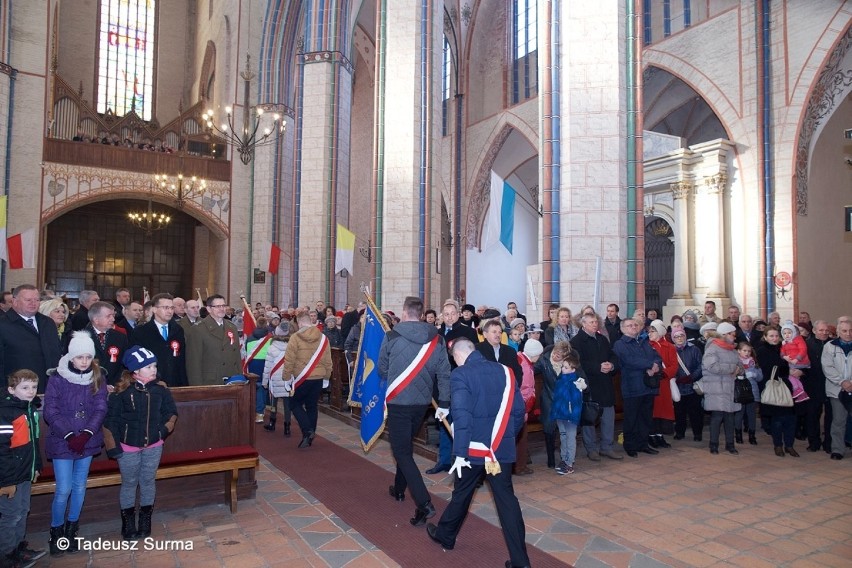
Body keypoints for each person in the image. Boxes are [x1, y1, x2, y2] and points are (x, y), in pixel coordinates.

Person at [424, 339, 529, 568]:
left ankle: (446, 536)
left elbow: (462, 416)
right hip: (500, 449)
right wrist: (506, 437)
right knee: (507, 501)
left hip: (472, 452)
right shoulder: (506, 371)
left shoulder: (461, 375)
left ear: (457, 356)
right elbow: (519, 411)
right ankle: (521, 561)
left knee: (462, 493)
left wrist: (459, 453)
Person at [379, 296, 450, 527]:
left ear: (404, 311)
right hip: (422, 403)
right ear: (421, 314)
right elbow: (444, 374)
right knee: (405, 446)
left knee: (401, 452)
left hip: (399, 401)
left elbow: (381, 368)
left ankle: (424, 503)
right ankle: (399, 488)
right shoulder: (437, 340)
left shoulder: (391, 336)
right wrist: (445, 403)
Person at [43, 332, 108, 556]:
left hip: (87, 440)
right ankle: (56, 532)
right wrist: (70, 435)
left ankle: (72, 529)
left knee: (80, 486)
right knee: (64, 489)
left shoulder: (97, 377)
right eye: (80, 357)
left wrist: (87, 433)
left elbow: (101, 407)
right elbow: (51, 410)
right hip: (63, 440)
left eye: (88, 357)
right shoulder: (57, 378)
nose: (84, 361)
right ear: (71, 356)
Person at [103, 346, 178, 540]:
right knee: (129, 482)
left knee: (147, 481)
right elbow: (111, 421)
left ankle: (145, 519)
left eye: (154, 365)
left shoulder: (160, 389)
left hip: (153, 445)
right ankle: (128, 521)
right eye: (148, 366)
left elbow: (171, 413)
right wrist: (114, 448)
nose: (153, 369)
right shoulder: (121, 392)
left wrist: (161, 432)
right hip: (128, 447)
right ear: (135, 370)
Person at [425, 300, 478, 475]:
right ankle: (444, 460)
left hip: (461, 383)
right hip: (441, 385)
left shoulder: (468, 332)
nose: (449, 317)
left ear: (458, 314)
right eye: (446, 314)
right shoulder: (434, 333)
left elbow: (472, 357)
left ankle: (463, 458)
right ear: (442, 316)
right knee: (443, 422)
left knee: (461, 421)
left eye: (452, 313)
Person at [0, 369, 46, 566]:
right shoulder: (6, 412)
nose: (31, 391)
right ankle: (6, 555)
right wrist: (7, 482)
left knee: (23, 510)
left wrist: (36, 467)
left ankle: (19, 548)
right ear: (11, 389)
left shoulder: (30, 410)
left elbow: (34, 443)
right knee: (11, 515)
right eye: (25, 387)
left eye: (34, 387)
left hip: (25, 472)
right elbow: (2, 450)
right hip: (10, 477)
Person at [571, 313, 622, 460]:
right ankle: (591, 449)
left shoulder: (602, 339)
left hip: (605, 384)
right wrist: (597, 367)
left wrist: (611, 365)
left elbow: (612, 355)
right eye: (591, 322)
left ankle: (607, 447)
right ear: (583, 324)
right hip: (589, 384)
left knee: (608, 416)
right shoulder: (576, 341)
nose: (595, 324)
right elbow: (577, 363)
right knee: (589, 418)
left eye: (596, 321)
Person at [282, 309, 333, 448]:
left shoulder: (295, 338)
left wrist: (286, 378)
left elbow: (289, 360)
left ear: (299, 323)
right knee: (312, 406)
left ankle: (307, 430)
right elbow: (328, 360)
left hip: (302, 377)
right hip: (318, 377)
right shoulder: (323, 337)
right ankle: (309, 437)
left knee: (294, 404)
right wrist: (327, 376)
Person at [612, 318, 662, 457]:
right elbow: (629, 360)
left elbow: (656, 356)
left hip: (648, 386)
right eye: (630, 325)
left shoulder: (644, 342)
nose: (633, 327)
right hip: (632, 387)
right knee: (631, 418)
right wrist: (649, 365)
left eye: (635, 325)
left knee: (645, 417)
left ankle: (643, 443)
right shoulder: (620, 344)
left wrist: (656, 365)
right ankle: (630, 445)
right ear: (623, 329)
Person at [0, 284, 63, 392]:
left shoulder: (48, 323)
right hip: (16, 391)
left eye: (37, 300)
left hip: (48, 388)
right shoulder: (3, 324)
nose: (33, 303)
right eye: (28, 300)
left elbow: (55, 353)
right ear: (15, 301)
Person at [756, 325, 800, 457]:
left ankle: (789, 445)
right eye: (771, 336)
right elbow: (771, 367)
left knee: (790, 418)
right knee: (777, 419)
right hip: (773, 386)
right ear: (765, 337)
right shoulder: (762, 350)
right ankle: (778, 445)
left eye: (776, 336)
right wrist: (787, 366)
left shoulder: (783, 348)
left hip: (786, 386)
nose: (775, 338)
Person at [130, 294, 188, 388]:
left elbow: (181, 359)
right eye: (165, 308)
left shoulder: (178, 330)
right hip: (151, 384)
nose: (170, 311)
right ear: (154, 309)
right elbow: (137, 361)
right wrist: (154, 380)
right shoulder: (141, 332)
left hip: (175, 382)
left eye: (172, 308)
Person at [701, 322, 742, 454]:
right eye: (732, 334)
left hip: (729, 387)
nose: (734, 337)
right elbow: (712, 366)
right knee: (717, 417)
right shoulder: (712, 348)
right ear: (724, 334)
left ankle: (730, 444)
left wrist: (739, 370)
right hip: (716, 388)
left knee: (730, 417)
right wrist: (732, 369)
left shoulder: (733, 350)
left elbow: (740, 366)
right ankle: (713, 444)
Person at [534, 341, 575, 468]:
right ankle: (551, 459)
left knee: (565, 431)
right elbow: (531, 371)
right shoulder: (544, 359)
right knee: (549, 429)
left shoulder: (569, 363)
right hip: (548, 398)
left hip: (564, 399)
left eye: (561, 355)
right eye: (556, 352)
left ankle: (566, 458)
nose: (557, 356)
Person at [186, 295, 241, 385]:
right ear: (209, 309)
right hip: (211, 381)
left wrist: (239, 377)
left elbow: (237, 356)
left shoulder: (231, 327)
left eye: (223, 306)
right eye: (217, 306)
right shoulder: (198, 329)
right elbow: (194, 362)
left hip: (232, 379)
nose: (222, 309)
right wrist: (197, 387)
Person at [551, 351, 587, 475]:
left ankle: (569, 463)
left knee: (570, 438)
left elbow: (576, 402)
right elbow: (557, 398)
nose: (562, 369)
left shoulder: (576, 382)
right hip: (560, 414)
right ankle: (564, 459)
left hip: (570, 416)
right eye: (562, 366)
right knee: (563, 437)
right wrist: (555, 412)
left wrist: (573, 415)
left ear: (573, 369)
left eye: (565, 367)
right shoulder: (560, 380)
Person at [78, 301, 129, 386]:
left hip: (114, 385)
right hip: (89, 385)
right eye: (109, 316)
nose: (113, 319)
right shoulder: (80, 337)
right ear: (96, 320)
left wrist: (116, 383)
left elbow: (123, 363)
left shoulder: (120, 337)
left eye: (113, 315)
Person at [822, 318, 852, 460]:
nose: (848, 333)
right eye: (845, 331)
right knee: (838, 420)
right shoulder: (829, 346)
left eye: (851, 331)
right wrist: (842, 382)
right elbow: (827, 367)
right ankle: (837, 449)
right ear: (838, 332)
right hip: (837, 389)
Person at [514, 339, 542, 475]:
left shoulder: (521, 359)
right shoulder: (524, 366)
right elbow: (525, 388)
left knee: (520, 437)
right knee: (521, 438)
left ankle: (519, 464)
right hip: (521, 406)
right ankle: (519, 466)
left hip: (520, 406)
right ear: (534, 354)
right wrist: (525, 408)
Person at [670, 329, 704, 441]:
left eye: (681, 335)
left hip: (692, 386)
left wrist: (692, 377)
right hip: (678, 387)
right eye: (676, 336)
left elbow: (701, 365)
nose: (679, 338)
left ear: (685, 336)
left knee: (695, 412)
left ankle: (697, 433)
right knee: (679, 411)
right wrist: (676, 378)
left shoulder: (694, 349)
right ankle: (680, 432)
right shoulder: (671, 350)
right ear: (672, 338)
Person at [647, 319, 677, 449]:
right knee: (652, 410)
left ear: (659, 332)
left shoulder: (669, 346)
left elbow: (674, 365)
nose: (650, 333)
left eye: (653, 331)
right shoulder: (647, 345)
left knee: (662, 411)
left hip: (664, 383)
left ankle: (660, 435)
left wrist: (664, 373)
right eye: (649, 331)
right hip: (652, 383)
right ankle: (651, 435)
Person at [805, 320, 831, 452]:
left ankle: (829, 443)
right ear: (814, 331)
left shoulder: (833, 344)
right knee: (813, 415)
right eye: (821, 330)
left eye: (826, 330)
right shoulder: (807, 345)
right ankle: (814, 442)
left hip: (830, 385)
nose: (824, 333)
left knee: (831, 416)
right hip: (812, 385)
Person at [262, 324, 291, 435]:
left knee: (273, 403)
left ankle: (272, 423)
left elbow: (268, 366)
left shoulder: (272, 347)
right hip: (287, 378)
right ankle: (287, 427)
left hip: (274, 379)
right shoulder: (292, 346)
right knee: (287, 405)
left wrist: (265, 381)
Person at [476, 319, 524, 387]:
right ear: (485, 334)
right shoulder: (477, 350)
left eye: (500, 332)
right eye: (494, 332)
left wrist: (514, 388)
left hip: (507, 392)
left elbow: (517, 372)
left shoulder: (510, 351)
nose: (498, 335)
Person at [734, 341, 762, 445]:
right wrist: (742, 374)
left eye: (749, 351)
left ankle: (752, 435)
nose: (747, 353)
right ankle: (738, 434)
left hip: (752, 392)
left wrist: (754, 374)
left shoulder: (753, 362)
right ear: (739, 351)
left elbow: (760, 377)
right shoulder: (736, 362)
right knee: (739, 414)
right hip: (740, 392)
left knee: (751, 415)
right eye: (744, 350)